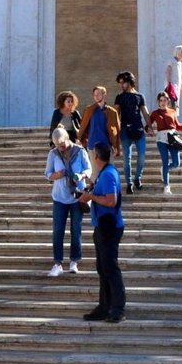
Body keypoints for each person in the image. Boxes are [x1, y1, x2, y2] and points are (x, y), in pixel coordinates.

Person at [79, 141, 125, 322]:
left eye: (93, 155)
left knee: (110, 268)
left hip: (110, 228)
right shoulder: (104, 174)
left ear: (97, 157)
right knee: (103, 268)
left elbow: (111, 201)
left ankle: (118, 309)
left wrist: (91, 196)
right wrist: (91, 191)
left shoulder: (108, 175)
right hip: (102, 226)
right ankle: (104, 306)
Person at [45, 126, 90, 275]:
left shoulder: (79, 151)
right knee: (58, 230)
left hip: (77, 196)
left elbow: (89, 169)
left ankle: (74, 261)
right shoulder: (53, 154)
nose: (61, 147)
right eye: (57, 145)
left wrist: (81, 175)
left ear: (67, 138)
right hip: (59, 197)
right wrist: (57, 175)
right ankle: (57, 263)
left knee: (76, 230)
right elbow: (48, 174)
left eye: (62, 143)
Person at [113, 71, 148, 190]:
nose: (121, 85)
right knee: (127, 157)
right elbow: (115, 114)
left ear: (130, 82)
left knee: (142, 155)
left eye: (123, 82)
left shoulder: (140, 96)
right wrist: (113, 131)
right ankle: (129, 183)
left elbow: (145, 112)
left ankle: (137, 178)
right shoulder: (120, 97)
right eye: (120, 83)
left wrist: (149, 126)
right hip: (124, 130)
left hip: (138, 129)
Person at [149, 91, 182, 193]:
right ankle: (166, 186)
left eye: (164, 100)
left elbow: (178, 126)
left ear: (168, 101)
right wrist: (149, 130)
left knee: (176, 163)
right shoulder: (155, 113)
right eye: (161, 100)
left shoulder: (172, 112)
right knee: (165, 162)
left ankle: (164, 169)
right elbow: (148, 125)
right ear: (158, 101)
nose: (162, 102)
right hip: (161, 139)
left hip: (173, 138)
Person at [78, 85, 122, 158]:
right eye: (94, 95)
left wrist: (115, 146)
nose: (96, 96)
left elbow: (116, 129)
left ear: (104, 94)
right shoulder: (88, 110)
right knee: (94, 169)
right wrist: (80, 139)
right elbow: (83, 126)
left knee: (108, 168)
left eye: (98, 94)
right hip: (92, 146)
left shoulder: (112, 112)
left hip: (106, 146)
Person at [166, 45, 182, 120]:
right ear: (178, 52)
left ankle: (174, 120)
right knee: (172, 104)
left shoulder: (179, 63)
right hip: (172, 86)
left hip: (177, 87)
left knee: (176, 104)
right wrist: (169, 84)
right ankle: (171, 120)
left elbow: (179, 77)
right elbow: (168, 72)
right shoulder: (171, 60)